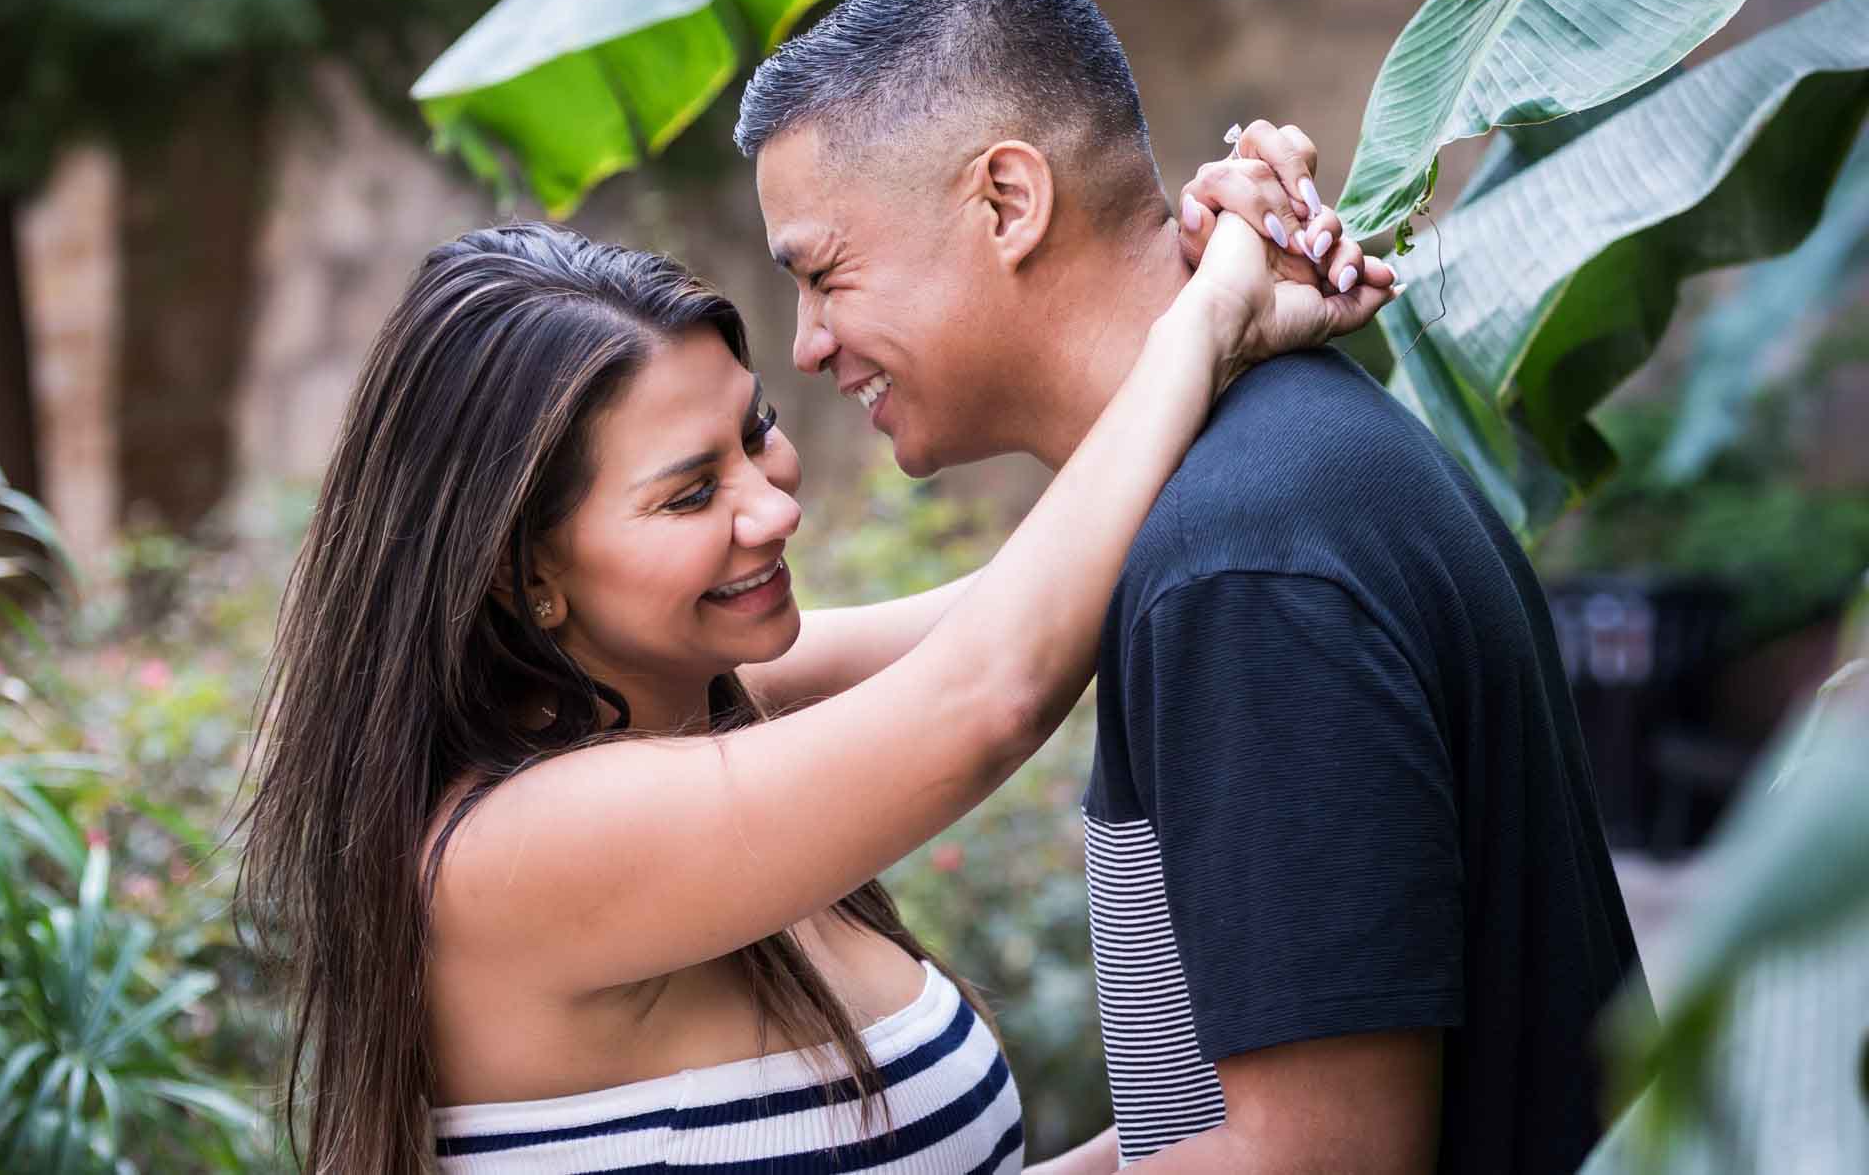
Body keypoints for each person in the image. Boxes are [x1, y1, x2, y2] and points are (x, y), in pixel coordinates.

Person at [238, 202, 1392, 1172]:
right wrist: (1198, 321)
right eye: (691, 494)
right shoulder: (516, 848)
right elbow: (994, 687)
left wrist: (1221, 296)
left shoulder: (701, 696)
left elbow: (1032, 599)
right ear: (522, 571)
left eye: (757, 434)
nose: (775, 505)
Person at [735, 0, 1643, 1175]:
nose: (807, 344)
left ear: (1007, 202)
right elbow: (1215, 1115)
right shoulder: (1246, 490)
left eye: (823, 273)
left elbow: (1314, 1158)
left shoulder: (1235, 565)